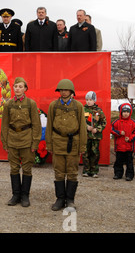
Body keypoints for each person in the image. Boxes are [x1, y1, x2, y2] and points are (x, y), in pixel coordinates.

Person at [45, 79, 87, 211]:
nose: (63, 92)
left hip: (73, 143)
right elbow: (49, 126)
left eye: (66, 90)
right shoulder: (54, 105)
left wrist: (82, 146)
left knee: (72, 172)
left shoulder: (78, 106)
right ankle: (60, 199)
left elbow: (82, 128)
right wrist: (49, 144)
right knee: (58, 173)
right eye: (61, 90)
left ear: (71, 91)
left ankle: (70, 200)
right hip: (57, 142)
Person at [1, 77, 42, 207]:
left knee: (27, 168)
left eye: (20, 86)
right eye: (15, 86)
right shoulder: (8, 104)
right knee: (13, 168)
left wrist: (35, 143)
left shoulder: (31, 104)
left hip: (26, 140)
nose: (17, 89)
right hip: (12, 139)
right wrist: (5, 142)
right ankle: (15, 195)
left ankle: (25, 196)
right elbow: (5, 125)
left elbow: (36, 124)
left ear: (25, 89)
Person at [111, 103, 135, 181]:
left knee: (129, 163)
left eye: (127, 112)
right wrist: (119, 133)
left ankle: (129, 175)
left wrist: (130, 138)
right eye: (124, 112)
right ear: (121, 112)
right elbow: (111, 129)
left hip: (129, 147)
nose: (126, 113)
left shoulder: (134, 123)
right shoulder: (116, 122)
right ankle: (118, 174)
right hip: (119, 147)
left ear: (130, 112)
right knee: (118, 162)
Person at [83, 91, 106, 178]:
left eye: (90, 100)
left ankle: (94, 170)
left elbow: (104, 122)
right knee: (85, 153)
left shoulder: (99, 111)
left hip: (95, 137)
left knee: (95, 153)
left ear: (94, 100)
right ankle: (86, 170)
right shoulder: (83, 110)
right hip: (86, 136)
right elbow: (79, 121)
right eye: (87, 100)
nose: (88, 101)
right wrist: (86, 127)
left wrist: (97, 129)